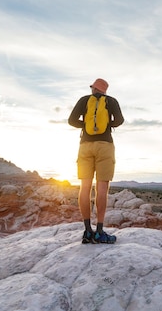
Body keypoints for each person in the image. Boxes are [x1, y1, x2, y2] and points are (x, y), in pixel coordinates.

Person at [68, 78, 124, 244]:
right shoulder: (111, 101)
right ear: (105, 90)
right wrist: (107, 125)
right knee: (102, 188)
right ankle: (99, 232)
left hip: (85, 145)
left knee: (84, 188)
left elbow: (71, 121)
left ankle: (87, 231)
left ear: (93, 88)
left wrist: (85, 126)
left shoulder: (84, 100)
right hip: (105, 145)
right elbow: (119, 120)